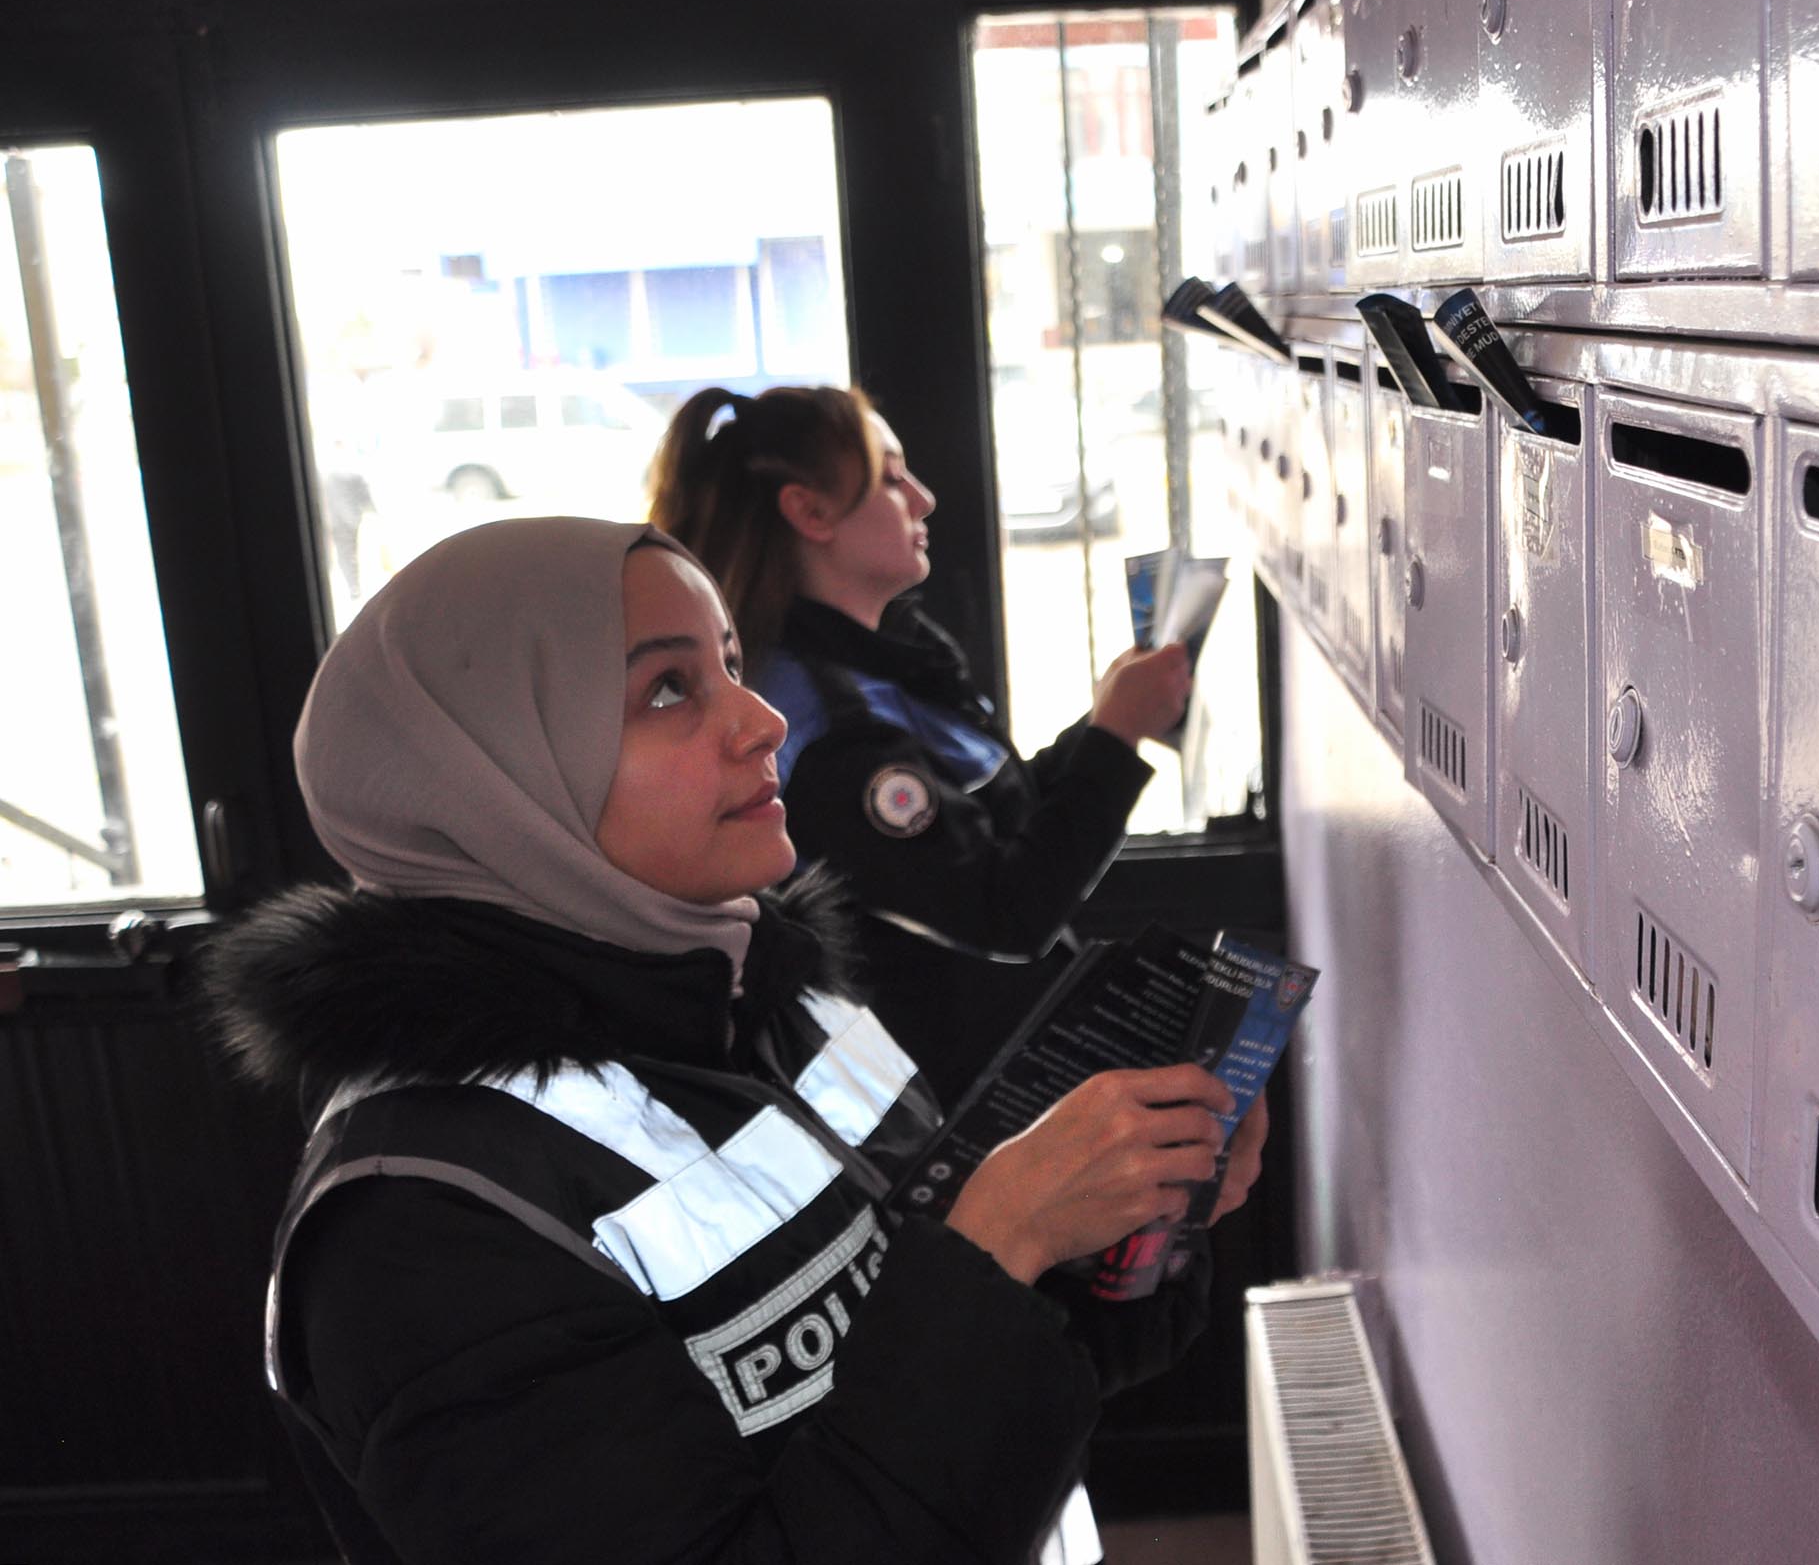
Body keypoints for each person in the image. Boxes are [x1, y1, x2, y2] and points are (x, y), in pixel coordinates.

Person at [202, 517, 1265, 1564]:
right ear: (500, 781)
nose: (761, 720)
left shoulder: (773, 997)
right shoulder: (418, 1228)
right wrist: (992, 1254)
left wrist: (1135, 1214)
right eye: (670, 689)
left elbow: (1007, 1351)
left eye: (731, 665)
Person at [648, 387, 1193, 1107]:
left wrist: (1107, 725)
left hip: (1008, 1068)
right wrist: (1115, 740)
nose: (925, 499)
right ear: (809, 512)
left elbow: (992, 819)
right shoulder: (822, 727)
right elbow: (1006, 908)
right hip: (946, 1111)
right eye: (892, 478)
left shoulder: (885, 661)